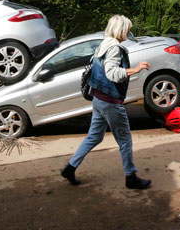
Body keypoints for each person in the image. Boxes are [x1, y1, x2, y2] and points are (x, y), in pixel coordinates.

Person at [60, 15, 152, 189]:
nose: (129, 32)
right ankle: (131, 178)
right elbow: (112, 73)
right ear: (121, 29)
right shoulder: (115, 48)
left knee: (94, 136)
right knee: (125, 140)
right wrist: (136, 69)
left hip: (99, 98)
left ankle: (70, 168)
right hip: (110, 102)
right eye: (127, 29)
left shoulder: (105, 43)